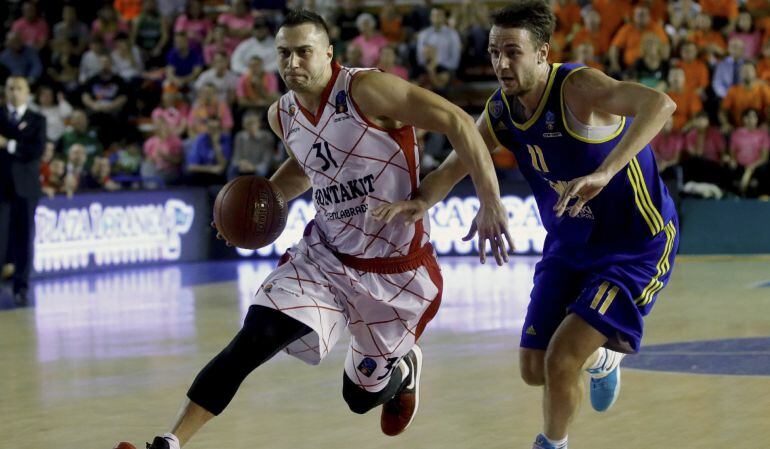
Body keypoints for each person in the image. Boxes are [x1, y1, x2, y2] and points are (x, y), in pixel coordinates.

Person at [136, 8, 509, 449]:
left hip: (396, 272)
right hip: (325, 259)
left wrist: (490, 199)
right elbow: (309, 165)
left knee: (358, 398)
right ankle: (169, 441)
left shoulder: (368, 90)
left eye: (303, 52)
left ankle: (403, 369)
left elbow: (459, 122)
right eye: (283, 54)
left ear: (328, 53)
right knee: (256, 337)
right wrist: (259, 206)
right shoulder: (283, 115)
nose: (292, 63)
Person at [374, 2, 679, 448]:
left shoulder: (578, 86)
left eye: (512, 52)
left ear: (541, 53)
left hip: (635, 243)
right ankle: (602, 361)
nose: (500, 63)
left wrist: (606, 171)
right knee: (533, 369)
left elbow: (660, 103)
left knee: (560, 358)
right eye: (495, 52)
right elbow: (458, 163)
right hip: (569, 243)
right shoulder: (501, 111)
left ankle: (551, 444)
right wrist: (420, 201)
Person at [0, 76, 47, 307]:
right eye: (10, 88)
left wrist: (8, 145)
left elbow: (35, 150)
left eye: (19, 88)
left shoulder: (38, 120)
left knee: (24, 238)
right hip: (1, 187)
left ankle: (21, 287)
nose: (14, 92)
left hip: (26, 188)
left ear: (28, 92)